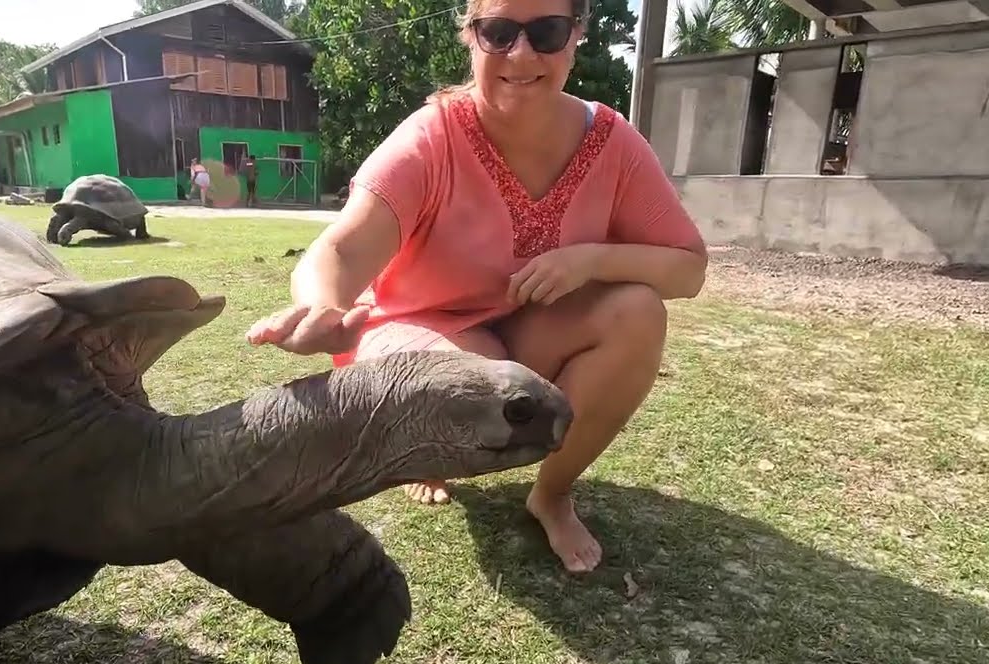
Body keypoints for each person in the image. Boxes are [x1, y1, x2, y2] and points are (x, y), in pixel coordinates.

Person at [245, 0, 707, 574]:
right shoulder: (435, 134)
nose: (522, 54)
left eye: (547, 31)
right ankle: (427, 452)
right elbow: (341, 249)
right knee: (472, 386)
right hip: (418, 331)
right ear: (470, 36)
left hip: (525, 330)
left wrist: (591, 260)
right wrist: (322, 306)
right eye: (499, 31)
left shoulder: (612, 142)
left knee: (638, 312)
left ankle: (552, 494)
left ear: (576, 36)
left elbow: (688, 268)